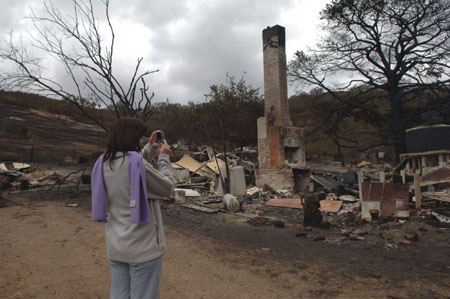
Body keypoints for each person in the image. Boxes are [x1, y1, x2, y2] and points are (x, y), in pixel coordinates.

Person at [91, 118, 174, 299]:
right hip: (143, 248)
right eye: (140, 138)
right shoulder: (137, 164)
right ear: (132, 138)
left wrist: (149, 150)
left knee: (119, 295)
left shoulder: (104, 163)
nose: (141, 141)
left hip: (116, 245)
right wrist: (164, 158)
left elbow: (132, 166)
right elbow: (167, 187)